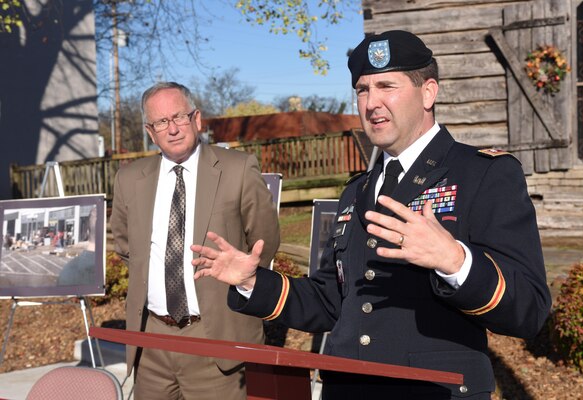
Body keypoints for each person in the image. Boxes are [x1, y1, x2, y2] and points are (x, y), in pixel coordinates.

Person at [191, 31, 551, 399]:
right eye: (362, 90)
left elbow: (530, 310)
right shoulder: (357, 190)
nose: (371, 103)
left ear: (428, 92)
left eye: (386, 86)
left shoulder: (482, 173)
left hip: (432, 391)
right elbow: (332, 300)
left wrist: (456, 261)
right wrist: (253, 282)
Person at [110, 81, 280, 400]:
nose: (172, 129)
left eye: (179, 117)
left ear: (197, 119)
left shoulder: (238, 169)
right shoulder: (130, 179)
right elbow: (124, 245)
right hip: (152, 340)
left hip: (215, 338)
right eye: (161, 122)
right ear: (150, 131)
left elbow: (264, 241)